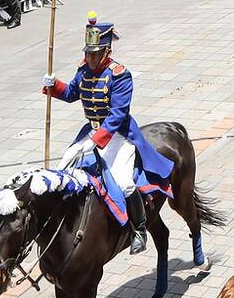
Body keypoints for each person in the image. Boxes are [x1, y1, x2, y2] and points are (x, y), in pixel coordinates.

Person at [41, 15, 175, 255]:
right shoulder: (84, 69)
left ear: (106, 51)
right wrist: (54, 86)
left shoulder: (119, 75)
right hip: (90, 131)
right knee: (64, 169)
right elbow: (72, 93)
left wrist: (95, 139)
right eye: (88, 53)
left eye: (95, 54)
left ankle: (139, 230)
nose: (90, 59)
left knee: (123, 182)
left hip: (117, 136)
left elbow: (118, 114)